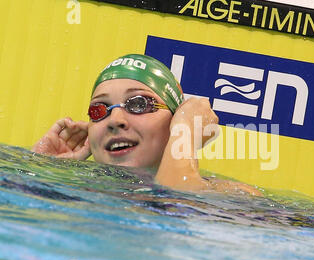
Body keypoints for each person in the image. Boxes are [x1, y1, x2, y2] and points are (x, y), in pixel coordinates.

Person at [32, 54, 261, 195]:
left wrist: (185, 131)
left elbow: (176, 203)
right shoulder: (73, 187)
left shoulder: (232, 194)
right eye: (99, 110)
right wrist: (42, 170)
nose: (115, 121)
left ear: (174, 119)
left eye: (139, 103)